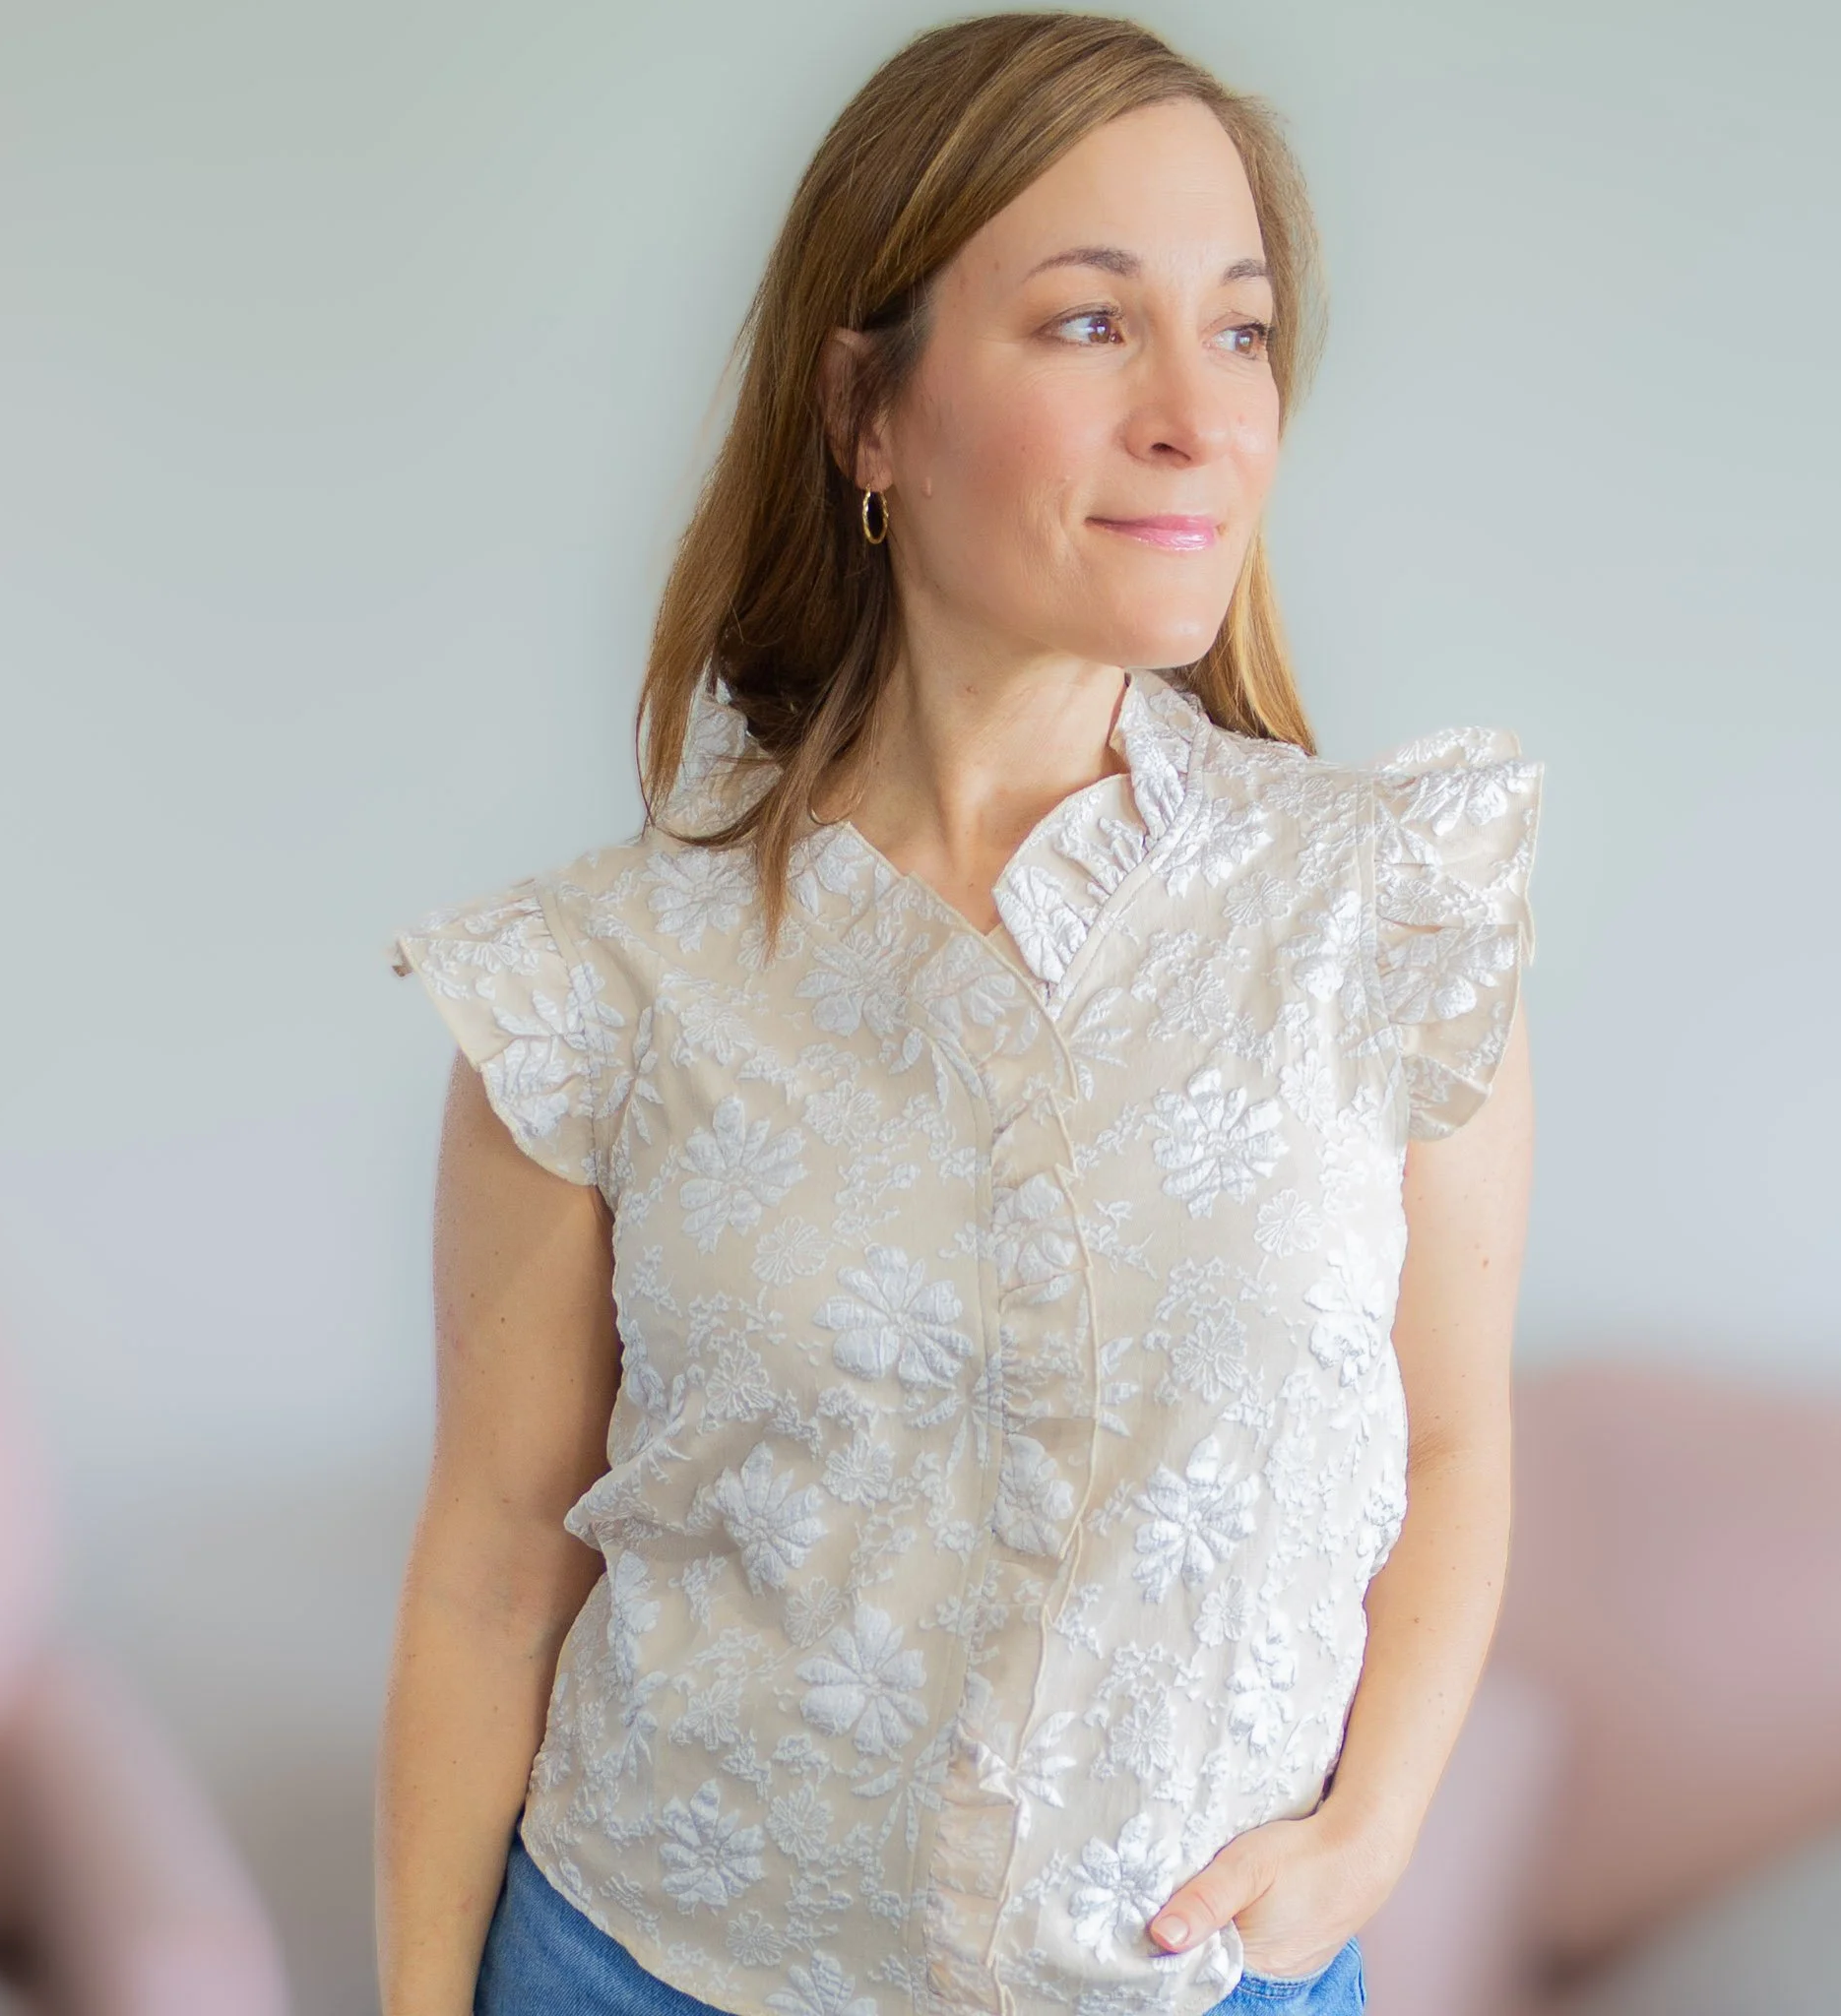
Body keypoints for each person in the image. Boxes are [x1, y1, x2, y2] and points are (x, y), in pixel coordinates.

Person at [374, 14, 1543, 2016]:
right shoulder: (596, 989)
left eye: (1241, 331)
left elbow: (1448, 1448)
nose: (1198, 413)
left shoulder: (1384, 911)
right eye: (1092, 325)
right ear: (867, 414)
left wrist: (1365, 1839)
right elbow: (493, 1567)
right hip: (641, 1967)